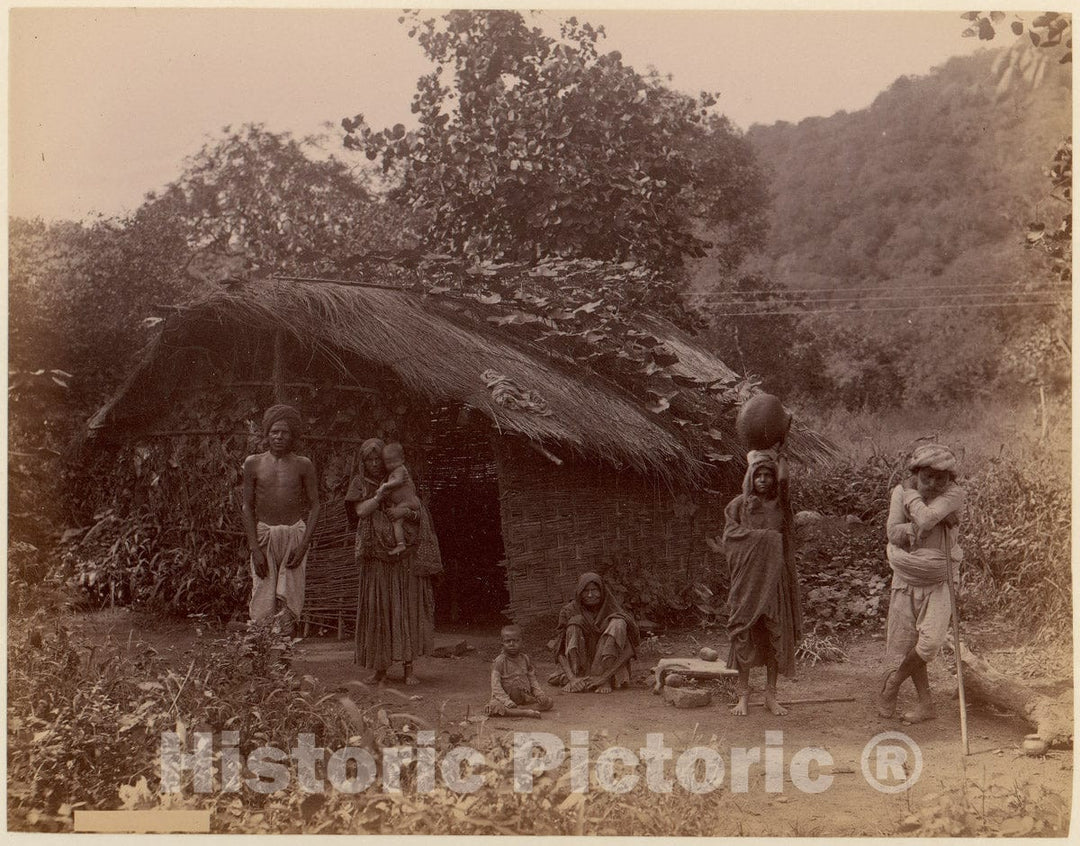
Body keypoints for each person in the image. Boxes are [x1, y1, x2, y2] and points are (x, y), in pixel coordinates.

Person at [877, 443, 965, 724]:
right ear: (915, 473)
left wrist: (913, 500)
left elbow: (927, 519)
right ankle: (926, 704)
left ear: (950, 479)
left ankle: (893, 682)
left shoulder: (953, 494)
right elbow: (892, 533)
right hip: (907, 575)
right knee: (910, 642)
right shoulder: (899, 492)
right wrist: (907, 529)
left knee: (929, 643)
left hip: (940, 577)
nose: (934, 484)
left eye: (941, 478)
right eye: (926, 477)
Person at [346, 438, 441, 686]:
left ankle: (409, 668)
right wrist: (379, 497)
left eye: (379, 458)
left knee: (405, 608)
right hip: (376, 557)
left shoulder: (399, 477)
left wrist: (404, 512)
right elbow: (360, 512)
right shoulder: (361, 483)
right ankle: (380, 669)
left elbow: (418, 508)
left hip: (403, 556)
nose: (375, 463)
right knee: (379, 610)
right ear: (363, 461)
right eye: (370, 459)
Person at [723, 448, 801, 716]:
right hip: (747, 582)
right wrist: (766, 539)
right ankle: (743, 696)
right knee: (744, 634)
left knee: (774, 635)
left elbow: (785, 483)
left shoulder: (780, 506)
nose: (764, 480)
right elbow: (730, 540)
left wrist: (781, 456)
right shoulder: (738, 506)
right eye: (759, 475)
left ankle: (771, 696)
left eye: (769, 475)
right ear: (750, 478)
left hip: (774, 581)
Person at [241, 404, 320, 637]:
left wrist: (303, 544)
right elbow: (247, 506)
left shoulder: (303, 464)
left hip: (294, 536)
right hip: (264, 535)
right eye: (274, 431)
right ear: (267, 433)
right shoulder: (253, 463)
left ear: (292, 435)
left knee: (290, 600)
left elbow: (315, 505)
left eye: (285, 432)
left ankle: (284, 662)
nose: (279, 436)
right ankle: (261, 662)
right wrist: (255, 548)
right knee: (262, 597)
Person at [548, 572, 639, 694]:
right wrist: (572, 678)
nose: (590, 595)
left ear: (602, 591)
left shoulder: (612, 609)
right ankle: (578, 678)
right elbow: (559, 649)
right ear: (579, 592)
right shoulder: (569, 610)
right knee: (575, 622)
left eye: (595, 590)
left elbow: (629, 650)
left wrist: (604, 677)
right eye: (585, 591)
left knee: (618, 622)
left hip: (607, 670)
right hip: (579, 668)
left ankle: (604, 680)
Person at [484, 625, 554, 717]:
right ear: (502, 644)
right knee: (495, 707)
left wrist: (539, 694)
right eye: (508, 641)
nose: (512, 644)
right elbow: (495, 686)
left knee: (548, 702)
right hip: (504, 699)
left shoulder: (525, 659)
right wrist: (506, 701)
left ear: (521, 642)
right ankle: (525, 712)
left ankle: (518, 710)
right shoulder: (500, 661)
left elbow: (532, 680)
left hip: (523, 697)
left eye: (516, 641)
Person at [377, 442, 422, 556]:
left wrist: (384, 486)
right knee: (397, 522)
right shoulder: (393, 471)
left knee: (397, 522)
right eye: (388, 462)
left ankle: (400, 544)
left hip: (407, 502)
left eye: (394, 461)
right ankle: (401, 543)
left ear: (402, 459)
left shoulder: (400, 470)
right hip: (404, 502)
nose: (391, 464)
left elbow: (398, 481)